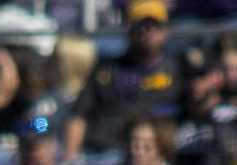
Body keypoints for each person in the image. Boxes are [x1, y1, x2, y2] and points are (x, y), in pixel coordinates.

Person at [69, 0, 180, 156]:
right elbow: (78, 115)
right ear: (129, 29)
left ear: (166, 30)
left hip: (152, 158)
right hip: (100, 152)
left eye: (154, 25)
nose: (147, 31)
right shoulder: (106, 70)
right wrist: (71, 158)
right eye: (140, 25)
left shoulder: (177, 70)